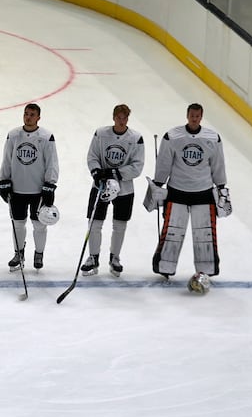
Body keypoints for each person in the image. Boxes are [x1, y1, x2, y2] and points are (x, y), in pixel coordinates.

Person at [143, 103, 229, 287]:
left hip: (203, 192)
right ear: (187, 115)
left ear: (201, 116)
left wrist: (221, 186)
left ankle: (206, 270)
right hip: (177, 191)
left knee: (205, 234)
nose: (194, 118)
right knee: (172, 232)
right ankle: (165, 267)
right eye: (192, 115)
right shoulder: (173, 136)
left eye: (197, 116)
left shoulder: (213, 138)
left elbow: (218, 164)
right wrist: (158, 182)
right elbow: (165, 162)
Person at [83, 103, 146, 276]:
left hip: (124, 189)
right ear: (113, 117)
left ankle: (115, 258)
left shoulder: (136, 138)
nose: (121, 120)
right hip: (100, 187)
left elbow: (137, 167)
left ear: (127, 119)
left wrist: (114, 172)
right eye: (118, 117)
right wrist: (96, 172)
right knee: (94, 223)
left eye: (124, 118)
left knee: (120, 225)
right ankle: (93, 258)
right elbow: (92, 156)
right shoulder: (101, 134)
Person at [0, 103, 58, 271]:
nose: (28, 117)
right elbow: (7, 159)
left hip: (38, 190)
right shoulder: (13, 135)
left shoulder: (46, 137)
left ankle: (39, 253)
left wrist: (50, 185)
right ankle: (19, 253)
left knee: (39, 224)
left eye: (32, 114)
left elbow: (52, 163)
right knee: (18, 223)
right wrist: (4, 181)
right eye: (26, 114)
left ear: (38, 117)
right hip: (17, 189)